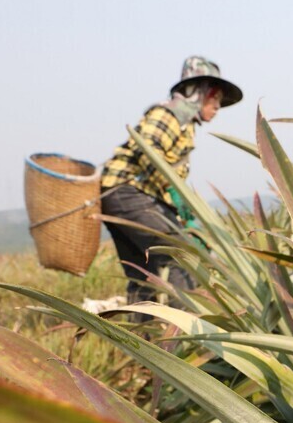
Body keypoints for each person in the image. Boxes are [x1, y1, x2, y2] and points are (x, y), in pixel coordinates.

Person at [100, 56, 242, 306]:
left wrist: (178, 208)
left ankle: (138, 341)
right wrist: (177, 197)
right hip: (129, 194)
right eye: (216, 97)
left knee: (142, 272)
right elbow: (148, 151)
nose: (218, 106)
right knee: (182, 253)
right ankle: (185, 334)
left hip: (123, 196)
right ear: (199, 92)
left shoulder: (184, 122)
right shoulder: (169, 115)